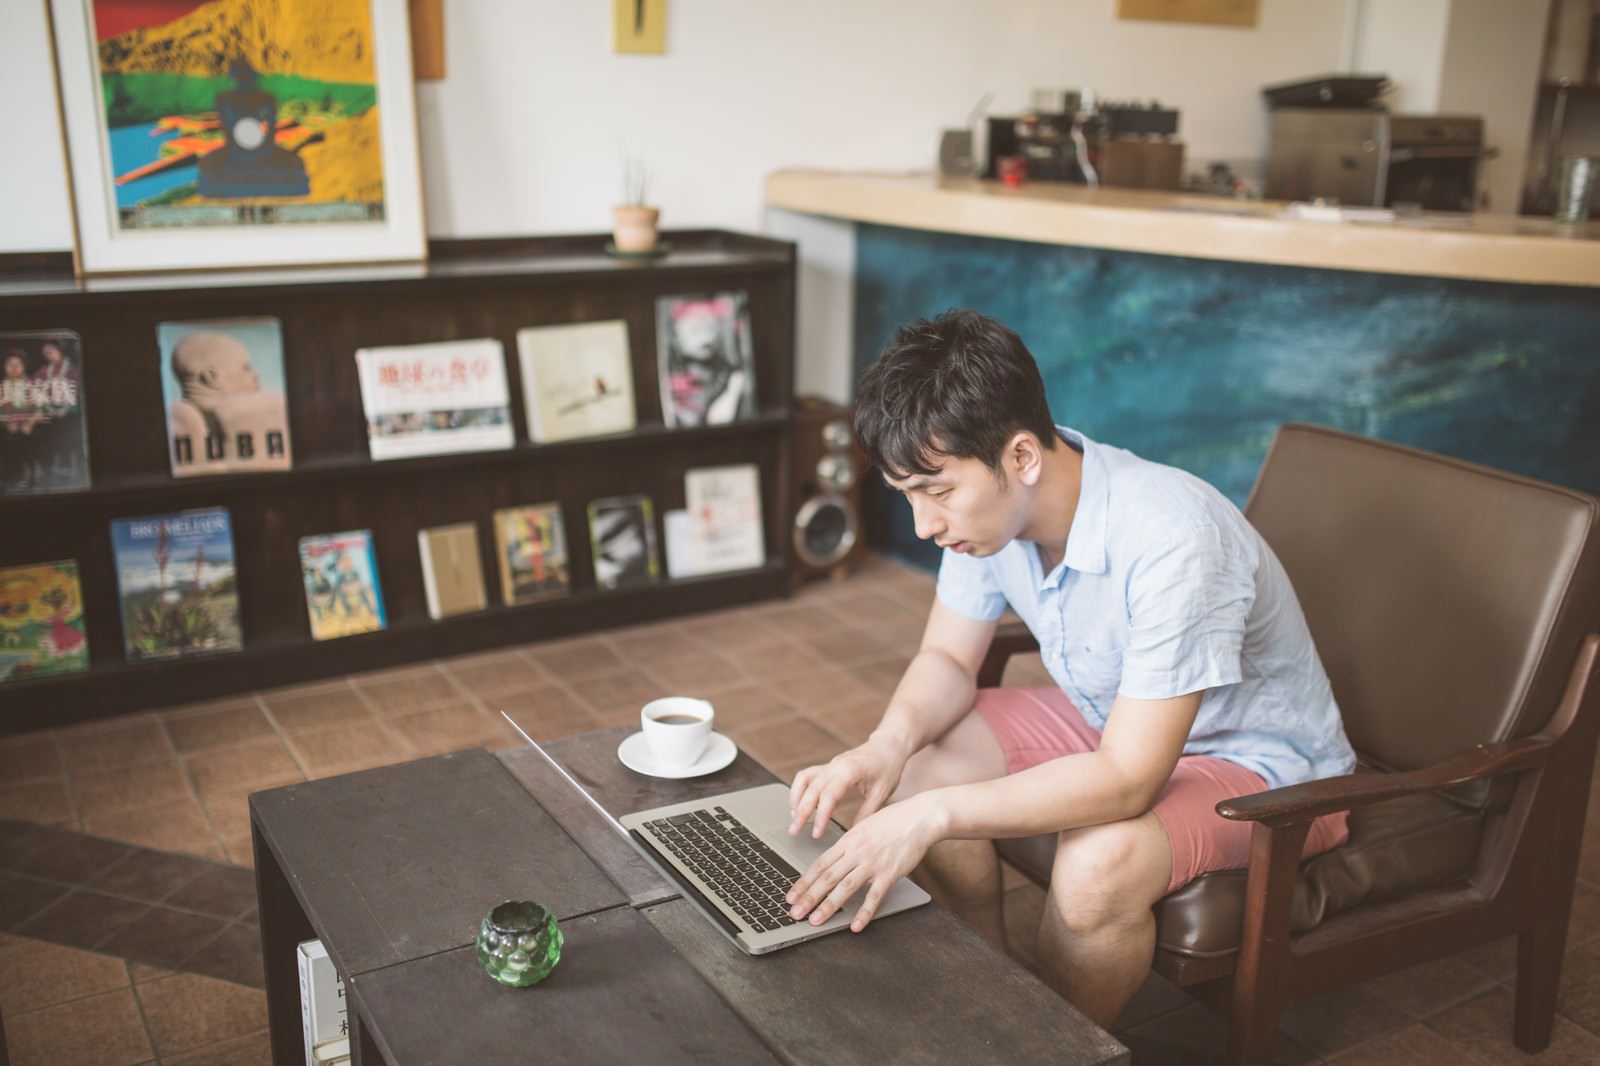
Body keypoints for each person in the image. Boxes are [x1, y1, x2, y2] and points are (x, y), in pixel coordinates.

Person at [782, 309, 1356, 1028]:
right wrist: (883, 748)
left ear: (1021, 457)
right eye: (909, 496)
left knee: (1095, 869)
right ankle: (992, 1007)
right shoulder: (990, 518)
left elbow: (1128, 779)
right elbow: (947, 658)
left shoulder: (1174, 540)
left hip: (1267, 767)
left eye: (937, 493)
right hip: (1116, 717)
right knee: (918, 765)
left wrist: (933, 818)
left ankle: (1052, 1044)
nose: (925, 526)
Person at [167, 331, 289, 472]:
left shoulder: (173, 419)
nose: (255, 376)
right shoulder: (256, 409)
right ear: (212, 377)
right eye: (246, 368)